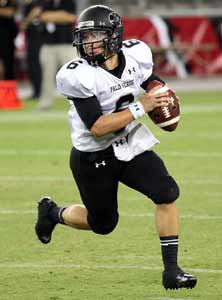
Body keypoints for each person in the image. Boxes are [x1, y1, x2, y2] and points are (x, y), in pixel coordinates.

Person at [35, 5, 197, 290]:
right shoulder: (78, 74)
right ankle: (52, 213)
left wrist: (161, 93)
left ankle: (172, 271)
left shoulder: (136, 54)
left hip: (130, 142)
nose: (88, 42)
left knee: (166, 192)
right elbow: (97, 127)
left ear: (114, 37)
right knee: (103, 224)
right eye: (85, 36)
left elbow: (148, 80)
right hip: (94, 154)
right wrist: (142, 106)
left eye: (95, 35)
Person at [35, 0, 78, 110]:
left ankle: (79, 102)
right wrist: (60, 16)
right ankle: (45, 103)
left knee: (73, 75)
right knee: (47, 75)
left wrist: (51, 16)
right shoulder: (45, 2)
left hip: (66, 44)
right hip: (48, 44)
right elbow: (41, 16)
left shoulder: (69, 2)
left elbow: (71, 18)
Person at [20, 0, 43, 100]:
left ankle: (40, 91)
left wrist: (25, 22)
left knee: (37, 65)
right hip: (30, 37)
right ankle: (36, 91)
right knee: (32, 64)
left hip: (38, 37)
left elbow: (37, 11)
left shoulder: (37, 2)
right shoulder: (26, 5)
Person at [0, 0, 18, 80]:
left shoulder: (12, 2)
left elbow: (10, 12)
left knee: (9, 66)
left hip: (7, 41)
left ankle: (9, 89)